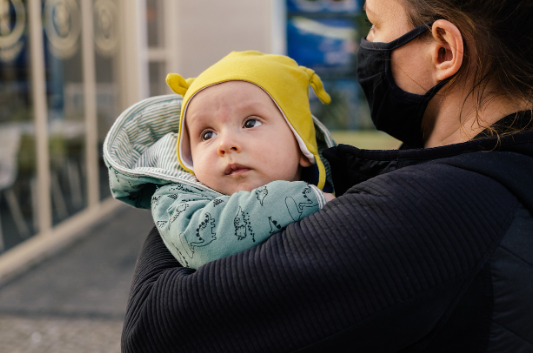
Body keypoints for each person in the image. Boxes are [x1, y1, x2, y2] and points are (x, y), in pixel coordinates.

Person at [120, 0, 533, 351]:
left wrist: (181, 184)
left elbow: (155, 329)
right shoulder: (482, 165)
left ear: (442, 51)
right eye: (206, 135)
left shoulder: (435, 208)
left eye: (374, 22)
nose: (367, 43)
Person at [104, 51, 336, 269]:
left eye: (250, 123)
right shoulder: (178, 199)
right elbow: (200, 242)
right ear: (189, 156)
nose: (225, 144)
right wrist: (304, 198)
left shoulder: (345, 181)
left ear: (302, 146)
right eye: (207, 134)